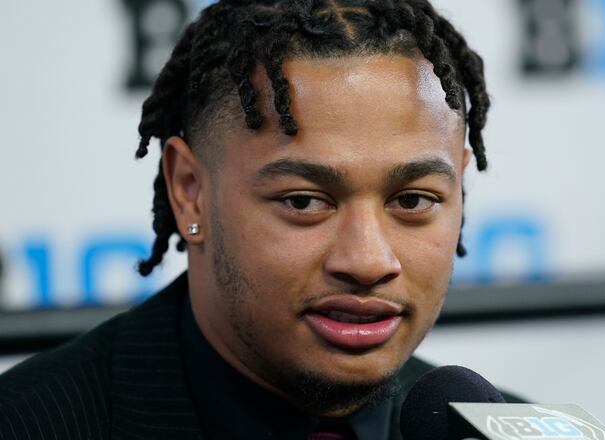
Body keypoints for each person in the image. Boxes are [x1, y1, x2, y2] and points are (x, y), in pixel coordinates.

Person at [0, 1, 507, 438]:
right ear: (189, 193)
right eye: (305, 202)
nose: (369, 260)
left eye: (413, 200)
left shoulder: (498, 426)